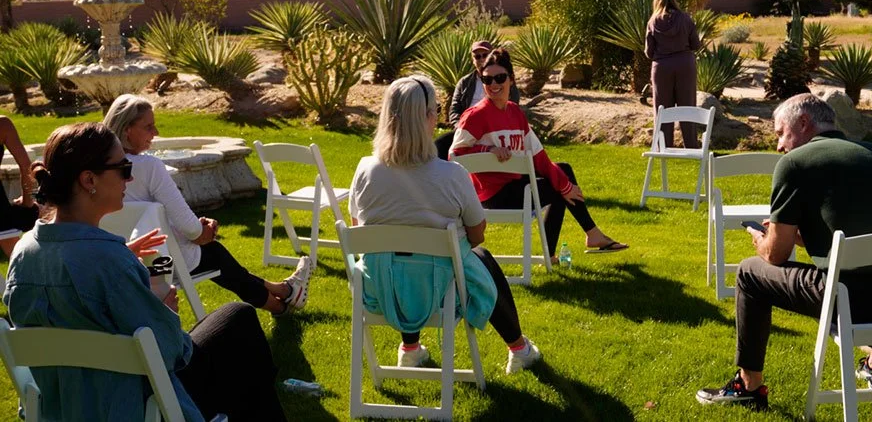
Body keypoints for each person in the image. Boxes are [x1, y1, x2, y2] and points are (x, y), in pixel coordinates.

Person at [3, 122, 287, 421]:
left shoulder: (23, 254)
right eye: (123, 168)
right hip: (134, 406)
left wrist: (123, 258)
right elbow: (170, 352)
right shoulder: (108, 259)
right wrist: (162, 310)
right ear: (89, 180)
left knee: (239, 355)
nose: (131, 177)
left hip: (62, 407)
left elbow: (69, 314)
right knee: (238, 320)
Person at [696, 93, 872, 412]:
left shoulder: (794, 164)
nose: (778, 146)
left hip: (848, 302)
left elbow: (776, 255)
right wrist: (806, 237)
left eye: (779, 133)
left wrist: (761, 238)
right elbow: (864, 231)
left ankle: (748, 385)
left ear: (803, 123)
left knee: (748, 272)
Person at [349, 74, 542, 374]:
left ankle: (409, 349)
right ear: (427, 118)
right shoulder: (452, 175)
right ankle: (519, 348)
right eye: (436, 110)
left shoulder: (365, 170)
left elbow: (357, 226)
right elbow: (477, 235)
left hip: (380, 289)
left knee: (404, 258)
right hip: (438, 292)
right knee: (479, 257)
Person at [103, 94, 311, 317]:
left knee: (212, 253)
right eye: (149, 126)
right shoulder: (149, 167)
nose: (156, 133)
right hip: (159, 266)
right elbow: (189, 227)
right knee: (213, 253)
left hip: (116, 260)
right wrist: (202, 230)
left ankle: (284, 291)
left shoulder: (95, 169)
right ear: (127, 130)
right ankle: (282, 304)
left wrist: (195, 231)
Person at [450, 47, 627, 260]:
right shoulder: (475, 116)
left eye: (500, 78)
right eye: (487, 80)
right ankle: (579, 240)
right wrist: (488, 149)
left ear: (511, 79)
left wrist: (565, 184)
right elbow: (455, 155)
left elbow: (538, 157)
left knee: (563, 171)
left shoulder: (515, 112)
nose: (494, 84)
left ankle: (583, 238)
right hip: (492, 195)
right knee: (558, 186)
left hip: (514, 183)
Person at [434, 39, 520, 160]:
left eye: (484, 55)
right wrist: (461, 127)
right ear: (473, 60)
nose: (481, 59)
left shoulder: (505, 81)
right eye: (477, 56)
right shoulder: (464, 82)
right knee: (440, 145)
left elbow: (511, 106)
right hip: (468, 128)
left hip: (495, 130)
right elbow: (454, 109)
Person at [644, 0, 701, 148]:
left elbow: (649, 52)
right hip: (685, 65)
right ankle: (691, 146)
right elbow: (695, 44)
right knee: (687, 106)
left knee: (662, 109)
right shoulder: (685, 18)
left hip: (661, 67)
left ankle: (663, 146)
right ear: (674, 0)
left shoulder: (653, 22)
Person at [0, 116, 41, 255]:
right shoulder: (3, 125)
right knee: (24, 267)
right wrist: (28, 202)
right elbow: (26, 167)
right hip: (1, 213)